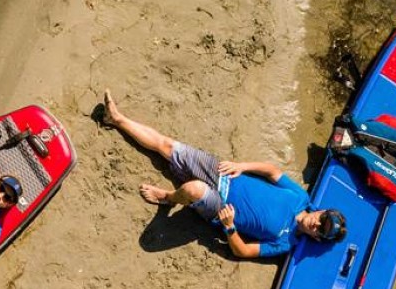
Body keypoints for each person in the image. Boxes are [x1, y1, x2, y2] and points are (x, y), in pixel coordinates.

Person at [100, 90, 346, 258]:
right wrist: (242, 166)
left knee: (192, 189)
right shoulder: (300, 198)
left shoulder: (285, 242)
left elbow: (243, 252)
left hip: (220, 207)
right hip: (226, 174)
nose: (316, 224)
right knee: (168, 146)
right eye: (322, 218)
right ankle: (117, 119)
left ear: (316, 238)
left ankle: (168, 198)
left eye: (320, 230)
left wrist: (229, 227)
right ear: (321, 210)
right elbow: (273, 172)